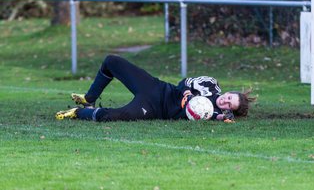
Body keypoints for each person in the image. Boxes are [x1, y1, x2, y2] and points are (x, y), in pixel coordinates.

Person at [55, 54, 255, 122]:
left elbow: (214, 117)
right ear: (228, 92)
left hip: (155, 108)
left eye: (230, 104)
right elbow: (184, 82)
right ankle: (89, 97)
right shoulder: (210, 84)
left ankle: (78, 113)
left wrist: (220, 117)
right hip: (157, 89)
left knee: (115, 116)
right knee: (112, 61)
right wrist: (186, 93)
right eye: (229, 97)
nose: (225, 101)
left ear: (230, 110)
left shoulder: (218, 114)